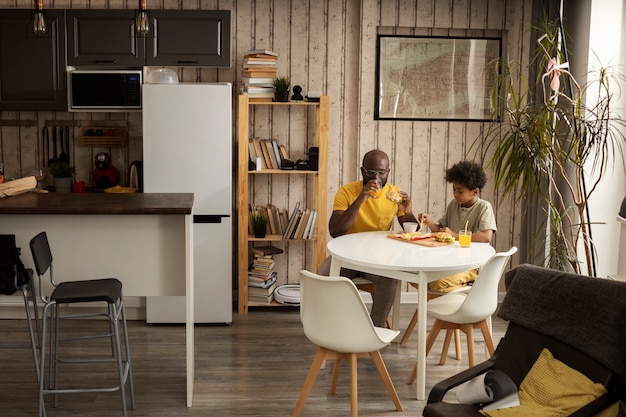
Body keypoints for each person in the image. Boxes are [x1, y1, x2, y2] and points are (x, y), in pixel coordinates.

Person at [318, 149, 418, 327]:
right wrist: (360, 199)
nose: (376, 177)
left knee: (391, 278)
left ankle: (375, 329)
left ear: (388, 172)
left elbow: (413, 232)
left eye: (381, 172)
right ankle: (333, 326)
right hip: (346, 257)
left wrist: (408, 212)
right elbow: (335, 231)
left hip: (377, 260)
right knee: (323, 276)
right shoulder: (347, 192)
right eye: (371, 172)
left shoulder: (394, 195)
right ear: (362, 171)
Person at [418, 160, 497, 292]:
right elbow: (442, 230)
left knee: (434, 283)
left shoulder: (484, 207)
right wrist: (430, 223)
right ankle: (457, 293)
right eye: (454, 189)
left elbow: (486, 237)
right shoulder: (453, 205)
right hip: (450, 262)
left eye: (460, 191)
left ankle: (467, 284)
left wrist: (454, 235)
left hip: (471, 266)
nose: (455, 194)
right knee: (421, 278)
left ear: (475, 192)